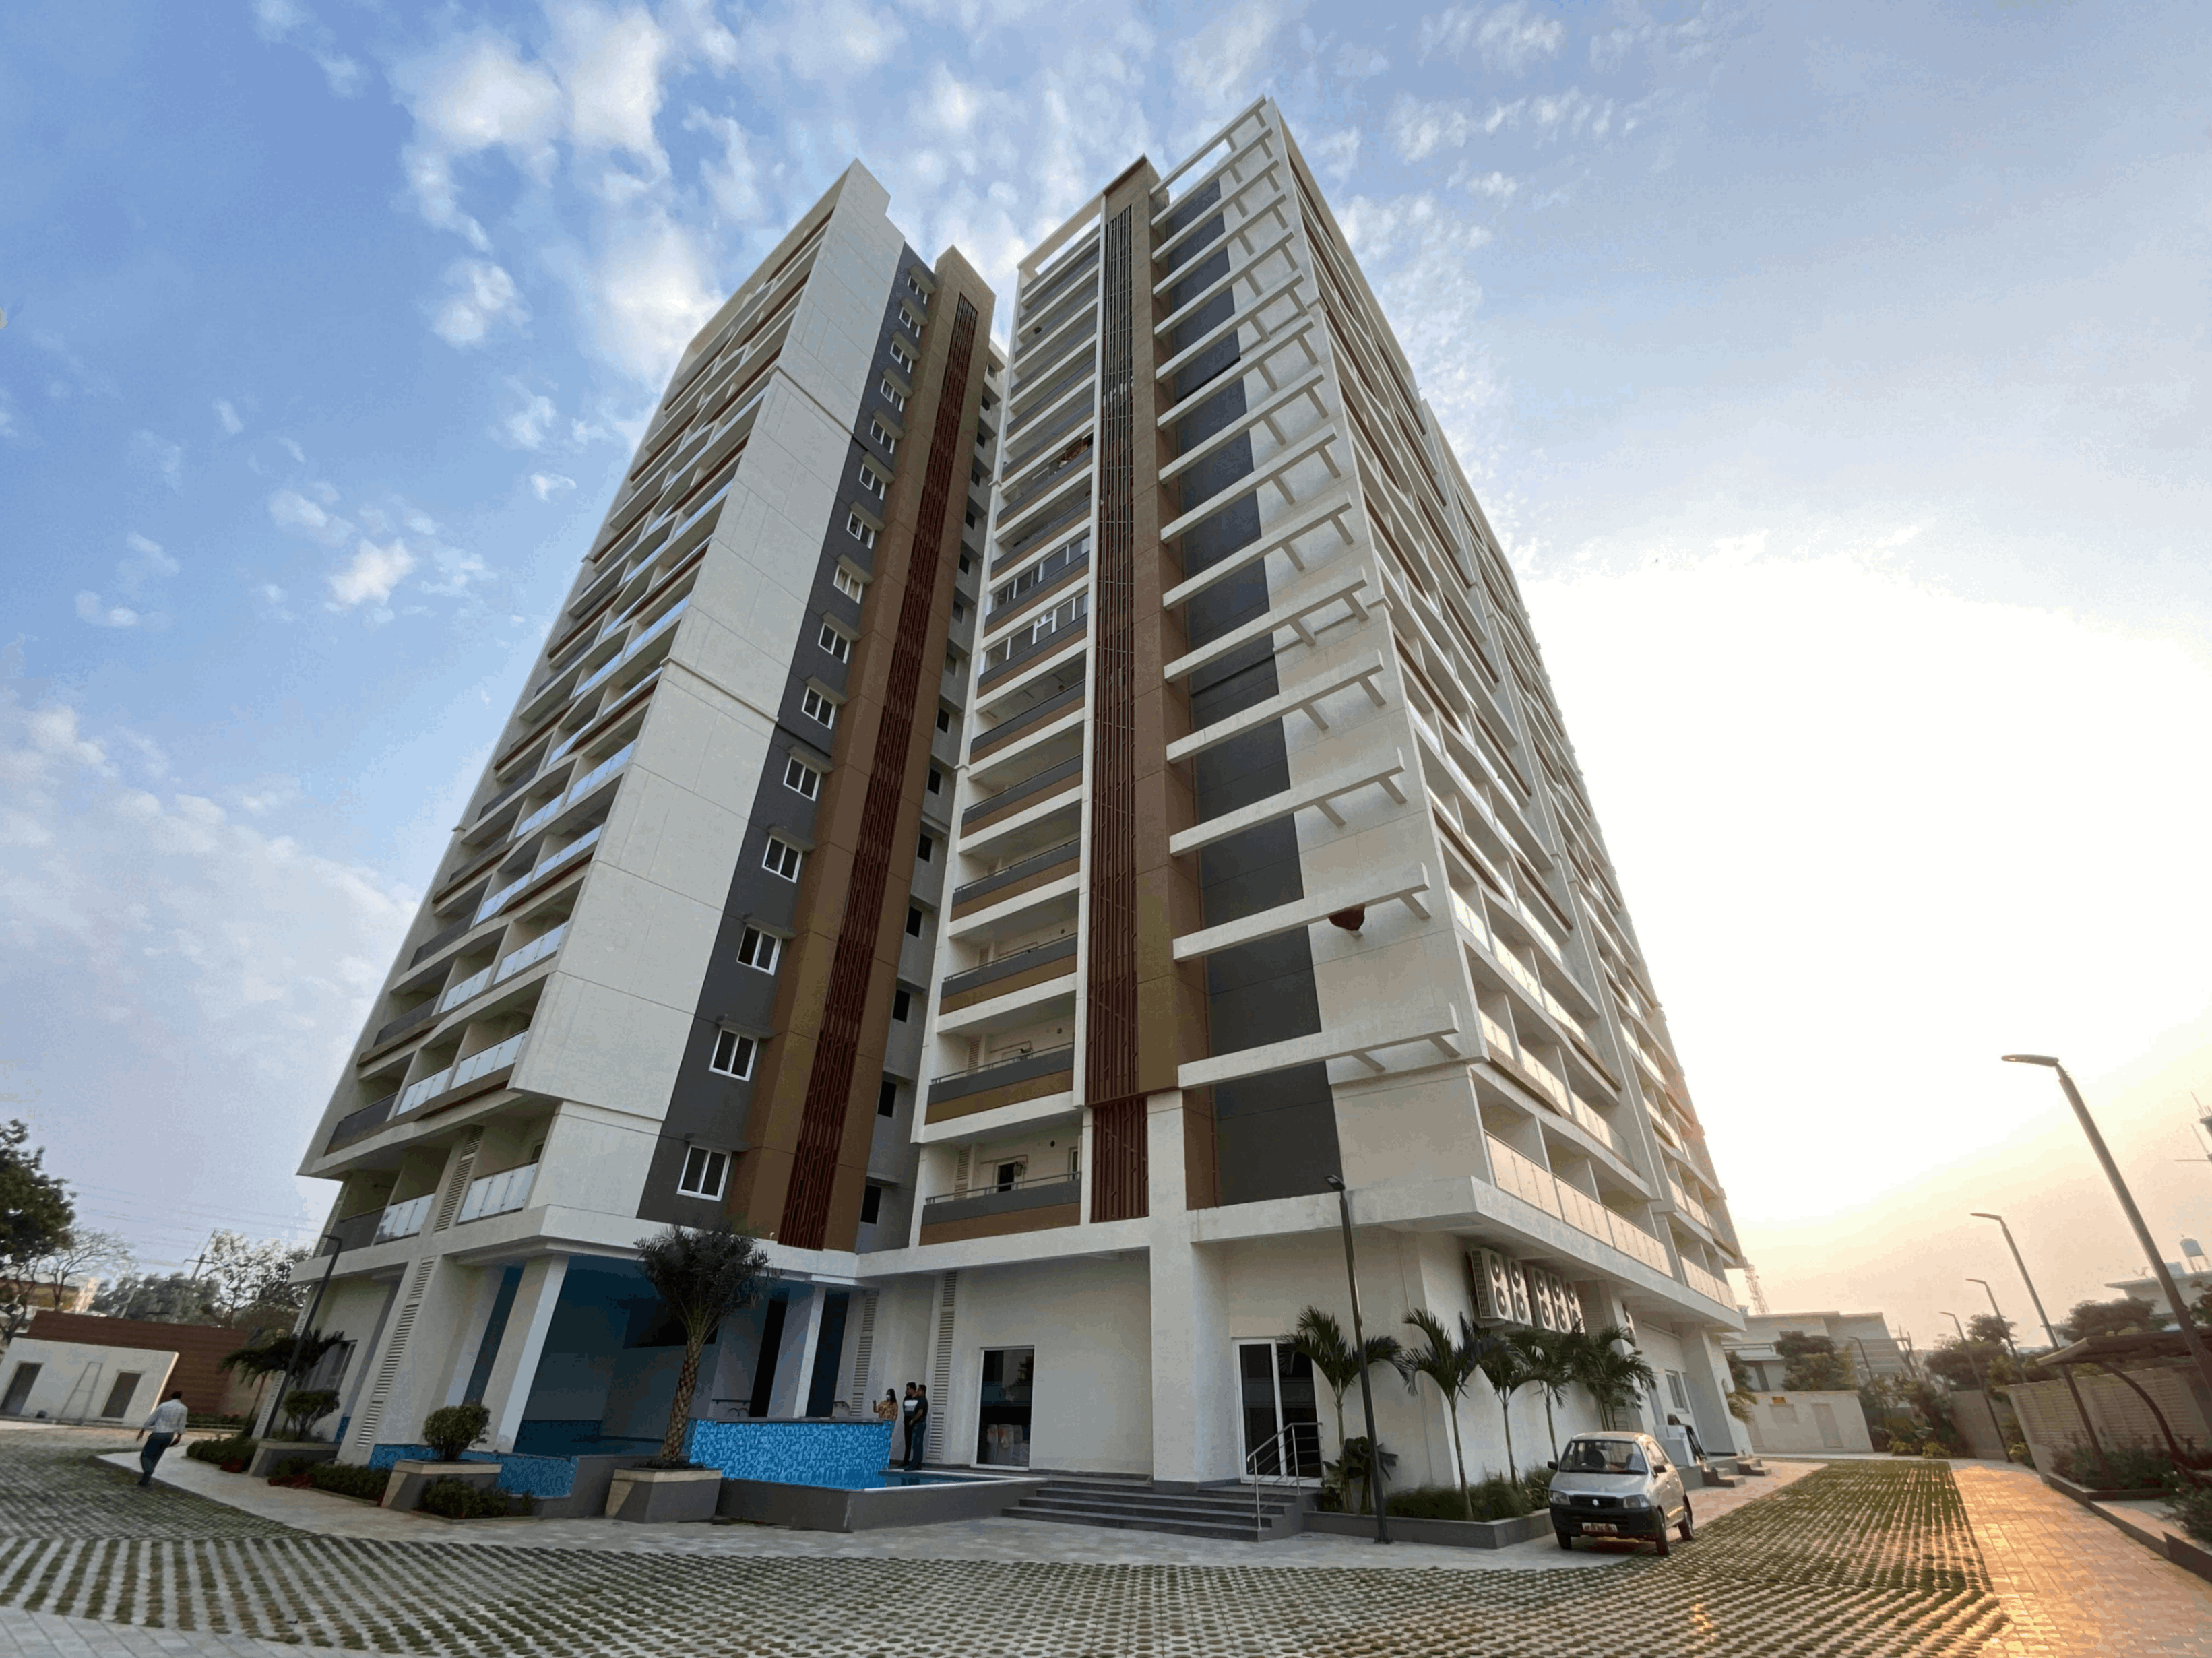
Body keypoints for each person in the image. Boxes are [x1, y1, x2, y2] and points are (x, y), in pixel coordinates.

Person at [137, 1390, 189, 1486]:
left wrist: (143, 1429)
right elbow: (182, 1423)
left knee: (145, 1455)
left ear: (171, 1396)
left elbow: (152, 1418)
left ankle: (148, 1470)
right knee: (156, 1457)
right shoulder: (183, 1408)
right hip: (169, 1435)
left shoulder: (164, 1405)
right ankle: (145, 1480)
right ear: (180, 1398)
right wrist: (179, 1436)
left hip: (158, 1433)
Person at [903, 1382, 929, 1471]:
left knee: (916, 1445)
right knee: (919, 1445)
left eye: (918, 1390)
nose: (917, 1391)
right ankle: (918, 1464)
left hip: (919, 1424)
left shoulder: (922, 1400)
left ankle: (915, 1464)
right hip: (921, 1424)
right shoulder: (923, 1400)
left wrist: (912, 1420)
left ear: (922, 1391)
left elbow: (920, 1412)